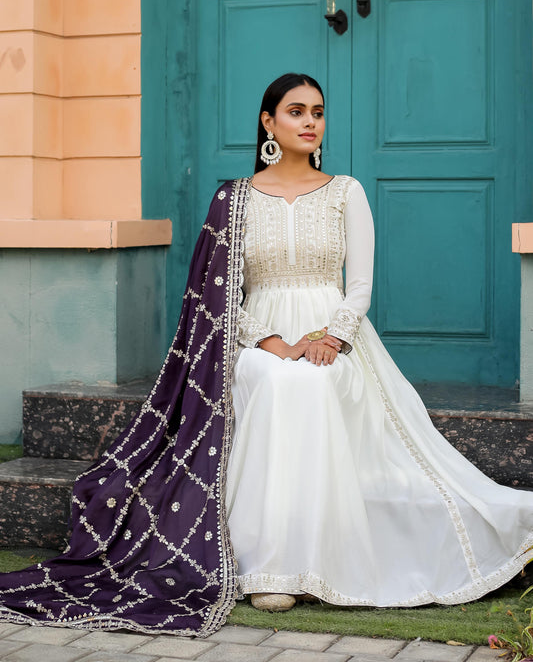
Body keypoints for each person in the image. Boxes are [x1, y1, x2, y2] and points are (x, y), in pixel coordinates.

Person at [0, 74, 531, 636]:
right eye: (296, 111)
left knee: (318, 382)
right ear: (268, 122)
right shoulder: (236, 199)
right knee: (274, 379)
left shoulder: (346, 191)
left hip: (336, 332)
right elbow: (219, 293)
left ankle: (315, 562)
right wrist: (267, 340)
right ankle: (273, 568)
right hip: (253, 336)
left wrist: (333, 337)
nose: (309, 122)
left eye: (318, 112)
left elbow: (361, 284)